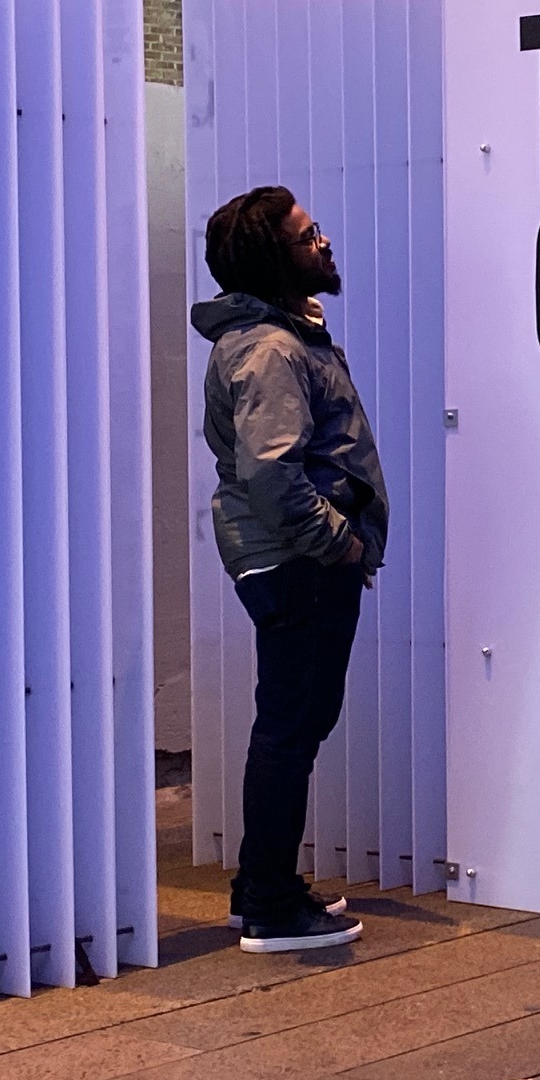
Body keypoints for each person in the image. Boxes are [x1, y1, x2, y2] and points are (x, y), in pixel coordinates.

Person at [192, 184, 388, 953]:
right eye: (309, 236)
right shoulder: (271, 349)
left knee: (293, 723)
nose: (325, 243)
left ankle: (261, 886)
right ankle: (271, 905)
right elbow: (274, 473)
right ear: (276, 256)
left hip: (290, 558)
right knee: (291, 726)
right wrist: (337, 542)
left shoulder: (283, 334)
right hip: (297, 560)